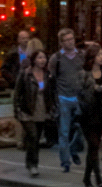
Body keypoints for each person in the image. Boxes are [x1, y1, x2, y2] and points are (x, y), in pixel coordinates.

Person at [48, 27, 85, 172]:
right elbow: (52, 78)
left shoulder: (81, 55)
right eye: (67, 40)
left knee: (81, 128)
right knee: (64, 131)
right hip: (63, 97)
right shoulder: (56, 58)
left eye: (72, 39)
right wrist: (54, 99)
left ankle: (73, 149)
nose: (70, 42)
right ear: (61, 43)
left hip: (79, 97)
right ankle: (65, 161)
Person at [13, 49, 55, 177]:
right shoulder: (25, 74)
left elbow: (52, 92)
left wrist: (53, 107)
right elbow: (17, 93)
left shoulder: (48, 74)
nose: (43, 60)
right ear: (34, 60)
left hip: (42, 108)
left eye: (44, 58)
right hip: (27, 109)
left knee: (36, 139)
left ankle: (31, 162)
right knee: (33, 135)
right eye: (40, 57)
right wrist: (17, 110)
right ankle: (32, 165)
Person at [78, 44, 102, 187]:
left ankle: (87, 178)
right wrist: (93, 89)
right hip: (88, 114)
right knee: (93, 144)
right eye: (99, 54)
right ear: (92, 57)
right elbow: (78, 93)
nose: (101, 57)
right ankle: (98, 178)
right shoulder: (83, 73)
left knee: (94, 147)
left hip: (101, 113)